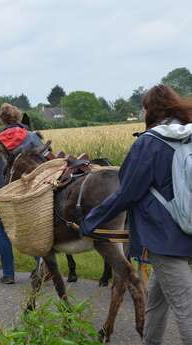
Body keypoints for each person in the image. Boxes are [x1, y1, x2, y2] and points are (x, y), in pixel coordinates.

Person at [80, 84, 192, 345]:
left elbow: (126, 193)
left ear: (149, 111)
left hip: (163, 239)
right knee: (156, 301)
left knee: (186, 308)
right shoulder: (186, 136)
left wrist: (91, 221)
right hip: (186, 229)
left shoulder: (149, 143)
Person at [0, 103, 43, 284]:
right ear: (18, 117)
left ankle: (8, 274)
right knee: (34, 230)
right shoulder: (32, 137)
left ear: (1, 120)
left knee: (4, 232)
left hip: (3, 190)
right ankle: (40, 267)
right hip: (28, 190)